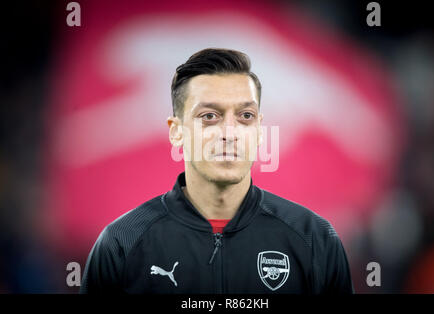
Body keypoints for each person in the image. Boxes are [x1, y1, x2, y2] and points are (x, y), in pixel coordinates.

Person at [79, 48, 354, 294]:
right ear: (176, 132)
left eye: (245, 116)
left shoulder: (314, 238)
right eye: (209, 116)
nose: (229, 133)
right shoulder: (121, 243)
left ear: (259, 130)